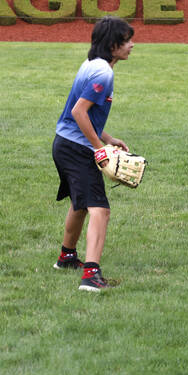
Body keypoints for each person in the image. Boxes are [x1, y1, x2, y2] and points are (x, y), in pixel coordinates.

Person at [51, 16, 135, 293]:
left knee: (80, 203)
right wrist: (100, 148)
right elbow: (78, 112)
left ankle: (67, 257)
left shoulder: (91, 65)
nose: (132, 46)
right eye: (127, 41)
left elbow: (82, 112)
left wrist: (108, 138)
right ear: (113, 46)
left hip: (63, 143)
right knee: (100, 209)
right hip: (76, 148)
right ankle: (91, 276)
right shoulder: (103, 74)